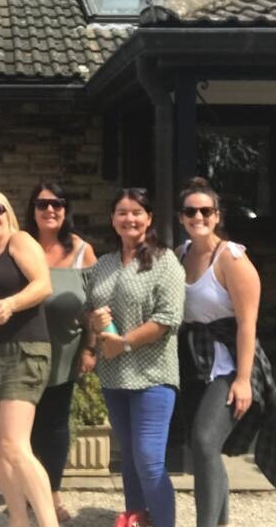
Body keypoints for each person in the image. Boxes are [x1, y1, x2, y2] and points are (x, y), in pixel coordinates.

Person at [176, 177, 276, 526]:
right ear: (181, 217)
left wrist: (244, 380)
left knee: (205, 441)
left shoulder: (232, 259)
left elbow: (247, 325)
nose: (198, 217)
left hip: (231, 363)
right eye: (190, 211)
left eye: (206, 211)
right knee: (203, 449)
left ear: (217, 216)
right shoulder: (181, 254)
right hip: (196, 360)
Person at [88, 188, 185, 527]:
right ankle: (137, 518)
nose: (129, 218)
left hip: (153, 375)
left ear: (149, 218)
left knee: (148, 458)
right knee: (129, 455)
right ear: (112, 219)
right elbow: (90, 308)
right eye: (122, 212)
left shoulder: (165, 261)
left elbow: (168, 318)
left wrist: (125, 343)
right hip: (114, 376)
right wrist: (94, 321)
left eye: (136, 212)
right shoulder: (104, 264)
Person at [0, 190, 58, 527]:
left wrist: (12, 303)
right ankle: (18, 520)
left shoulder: (19, 241)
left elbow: (43, 285)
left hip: (21, 348)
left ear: (9, 214)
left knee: (15, 445)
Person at [23, 182, 97, 523]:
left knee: (53, 426)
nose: (50, 210)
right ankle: (28, 491)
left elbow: (93, 306)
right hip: (21, 352)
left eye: (57, 203)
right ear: (32, 209)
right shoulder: (20, 245)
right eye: (42, 204)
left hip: (64, 353)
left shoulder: (82, 251)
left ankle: (51, 492)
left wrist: (90, 348)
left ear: (66, 209)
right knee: (23, 428)